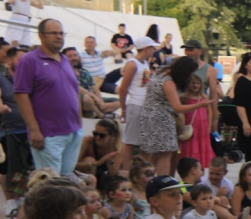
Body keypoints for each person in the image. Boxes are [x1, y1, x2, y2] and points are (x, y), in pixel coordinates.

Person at [13, 19, 83, 176]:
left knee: (65, 179)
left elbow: (74, 90)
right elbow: (21, 95)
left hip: (72, 131)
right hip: (48, 134)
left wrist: (79, 122)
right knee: (50, 185)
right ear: (41, 36)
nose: (58, 36)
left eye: (61, 33)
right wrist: (34, 129)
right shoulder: (29, 60)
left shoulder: (65, 60)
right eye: (53, 33)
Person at [139, 57, 212, 176]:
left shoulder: (160, 73)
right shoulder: (169, 83)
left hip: (148, 116)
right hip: (161, 118)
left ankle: (147, 179)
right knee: (166, 153)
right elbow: (177, 107)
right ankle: (163, 181)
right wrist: (200, 105)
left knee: (154, 153)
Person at [0, 45, 33, 206]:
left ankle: (18, 198)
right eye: (21, 60)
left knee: (23, 171)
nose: (25, 63)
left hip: (31, 130)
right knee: (11, 170)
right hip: (10, 131)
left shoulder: (31, 79)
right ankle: (10, 202)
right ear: (9, 60)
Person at [117, 36, 158, 172]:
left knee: (145, 143)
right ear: (146, 48)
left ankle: (139, 171)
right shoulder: (133, 64)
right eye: (152, 47)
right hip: (136, 104)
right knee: (130, 142)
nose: (154, 50)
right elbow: (123, 88)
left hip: (145, 105)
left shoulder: (144, 63)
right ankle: (126, 171)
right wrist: (123, 110)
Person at [65, 46, 120, 118]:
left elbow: (94, 87)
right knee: (86, 98)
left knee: (120, 101)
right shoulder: (65, 73)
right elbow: (78, 88)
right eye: (70, 56)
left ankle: (96, 111)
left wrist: (101, 102)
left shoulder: (84, 71)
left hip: (93, 100)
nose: (74, 58)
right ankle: (101, 115)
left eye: (75, 55)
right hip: (77, 100)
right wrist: (95, 97)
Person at [181, 39, 222, 130]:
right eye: (186, 50)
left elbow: (213, 95)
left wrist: (215, 118)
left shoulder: (210, 70)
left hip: (199, 111)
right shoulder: (180, 67)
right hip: (181, 109)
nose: (188, 53)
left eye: (191, 50)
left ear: (200, 51)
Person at [75, 118, 122, 190]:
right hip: (84, 174)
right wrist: (96, 163)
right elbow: (73, 164)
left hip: (103, 177)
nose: (97, 137)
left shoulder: (117, 147)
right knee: (89, 159)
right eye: (95, 133)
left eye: (102, 135)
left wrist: (109, 161)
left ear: (112, 136)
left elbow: (113, 174)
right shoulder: (88, 141)